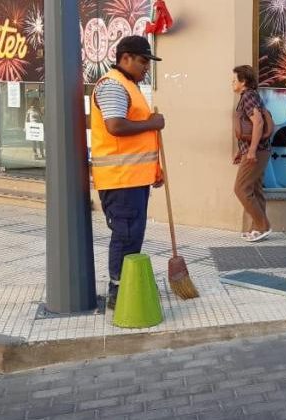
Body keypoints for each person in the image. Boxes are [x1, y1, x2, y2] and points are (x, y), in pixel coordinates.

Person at [90, 36, 165, 309]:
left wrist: (154, 169)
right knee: (125, 235)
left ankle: (126, 286)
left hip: (133, 178)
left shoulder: (129, 85)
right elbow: (116, 127)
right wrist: (152, 124)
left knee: (132, 235)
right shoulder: (112, 85)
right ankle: (119, 291)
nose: (147, 67)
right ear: (125, 58)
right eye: (144, 61)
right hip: (121, 180)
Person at [231, 65, 272, 242]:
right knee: (255, 189)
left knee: (240, 189)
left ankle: (263, 225)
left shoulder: (248, 96)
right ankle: (258, 228)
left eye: (234, 80)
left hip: (257, 151)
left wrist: (252, 150)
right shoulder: (250, 96)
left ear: (243, 81)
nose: (232, 83)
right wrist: (243, 151)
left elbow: (258, 122)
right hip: (258, 150)